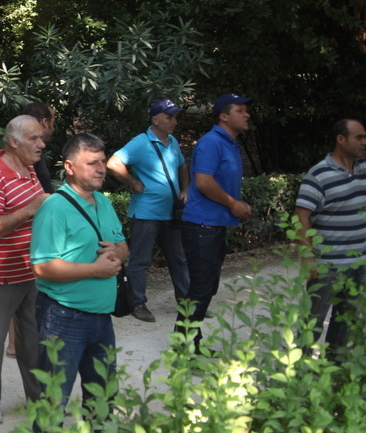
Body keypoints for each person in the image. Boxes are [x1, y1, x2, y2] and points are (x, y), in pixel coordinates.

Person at [30, 133, 128, 416]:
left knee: (103, 398)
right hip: (63, 318)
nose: (101, 169)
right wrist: (95, 270)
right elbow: (42, 267)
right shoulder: (54, 208)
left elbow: (123, 245)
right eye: (91, 163)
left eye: (102, 162)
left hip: (102, 318)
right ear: (69, 167)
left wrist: (119, 253)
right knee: (53, 401)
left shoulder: (104, 202)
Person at [0, 115, 50, 424]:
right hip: (2, 272)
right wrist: (32, 208)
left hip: (30, 268)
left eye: (42, 138)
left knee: (31, 337)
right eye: (34, 138)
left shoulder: (29, 168)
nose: (41, 144)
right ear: (14, 141)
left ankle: (38, 397)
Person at [294, 119, 366, 356]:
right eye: (359, 137)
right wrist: (308, 256)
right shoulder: (319, 174)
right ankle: (298, 374)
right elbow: (300, 216)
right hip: (328, 264)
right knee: (312, 321)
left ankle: (334, 370)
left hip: (361, 262)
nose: (365, 141)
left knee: (346, 321)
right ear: (341, 139)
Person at [176, 93, 254, 353]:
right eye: (240, 110)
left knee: (206, 287)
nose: (247, 114)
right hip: (201, 226)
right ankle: (184, 347)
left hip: (212, 225)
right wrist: (233, 203)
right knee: (201, 287)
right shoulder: (211, 143)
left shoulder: (229, 143)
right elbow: (204, 182)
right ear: (224, 116)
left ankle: (189, 343)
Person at [107, 98, 190, 323]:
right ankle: (137, 304)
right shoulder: (141, 142)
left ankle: (187, 303)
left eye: (175, 117)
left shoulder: (171, 141)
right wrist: (133, 183)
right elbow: (113, 163)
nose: (174, 121)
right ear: (155, 119)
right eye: (169, 117)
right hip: (146, 214)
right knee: (140, 261)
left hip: (171, 212)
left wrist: (185, 189)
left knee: (179, 259)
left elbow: (182, 166)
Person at [7, 102, 56, 357]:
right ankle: (17, 343)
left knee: (28, 288)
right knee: (23, 288)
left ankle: (21, 342)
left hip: (34, 228)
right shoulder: (23, 158)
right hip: (26, 231)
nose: (41, 142)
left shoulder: (34, 155)